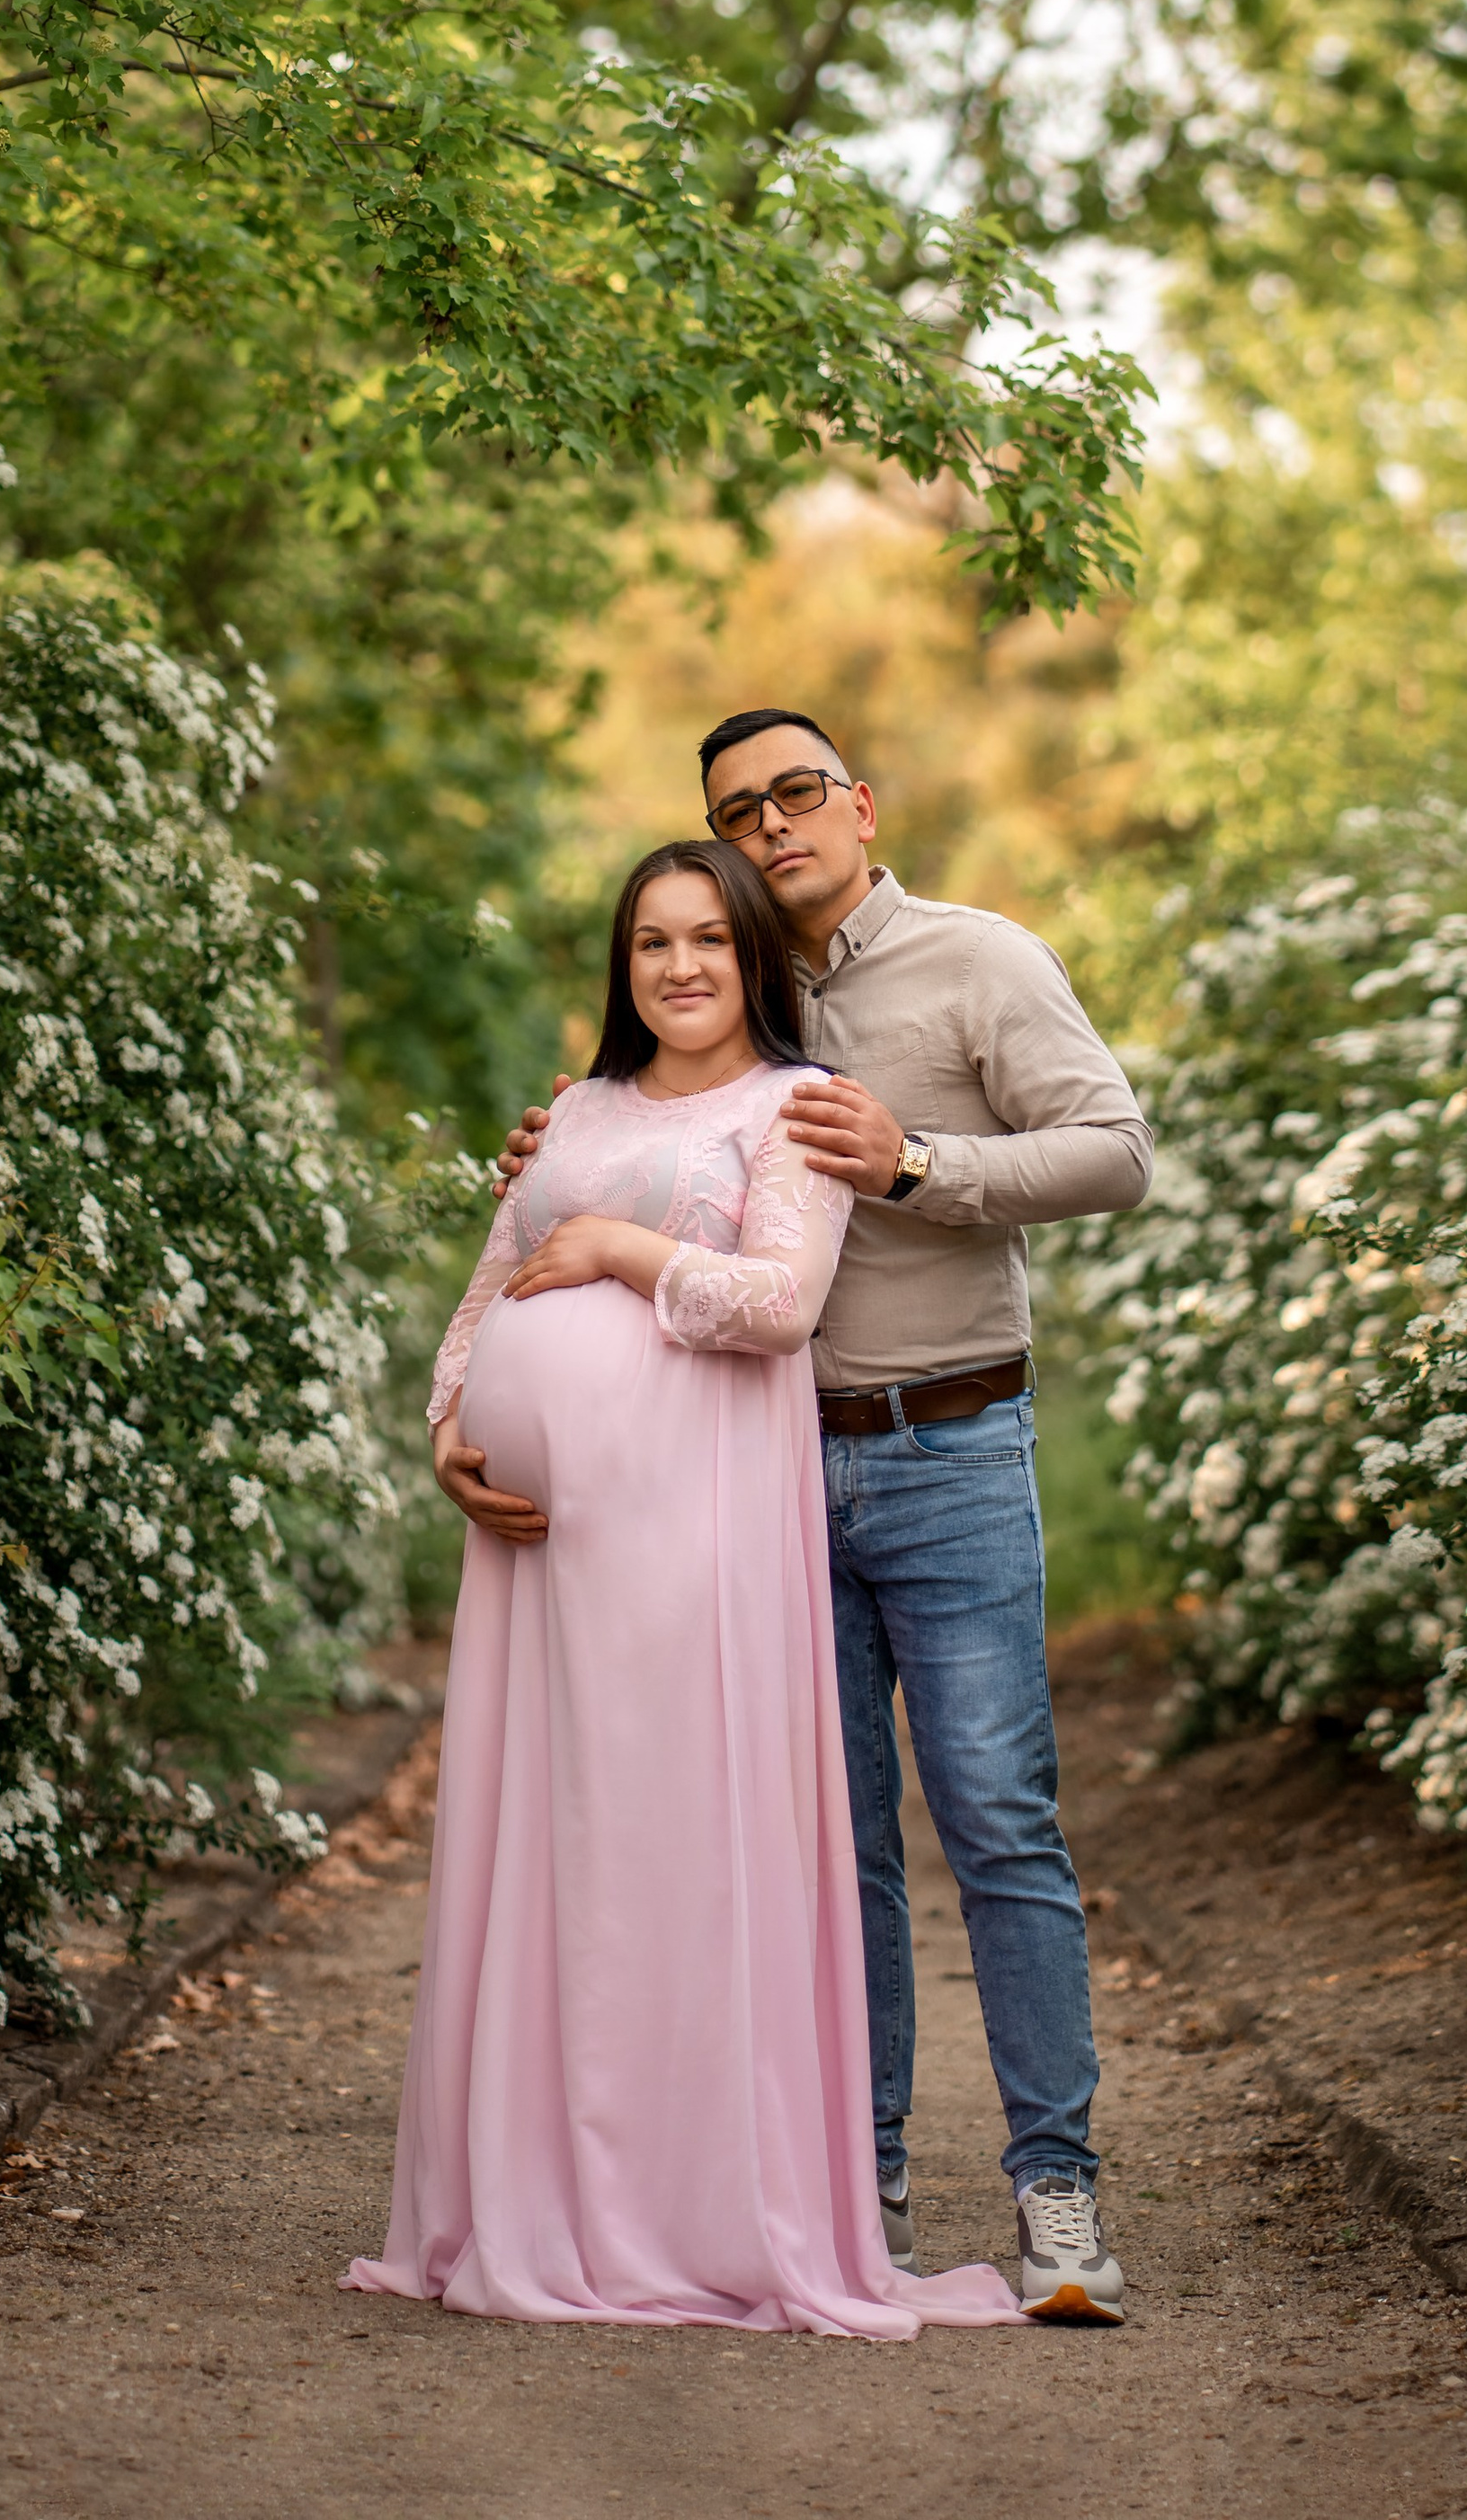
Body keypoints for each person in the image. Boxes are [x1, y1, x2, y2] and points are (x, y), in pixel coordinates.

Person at [491, 714, 1151, 2325]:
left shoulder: (979, 959)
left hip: (948, 1444)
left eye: (798, 793)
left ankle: (1057, 2193)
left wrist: (917, 1160)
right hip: (759, 1468)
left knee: (995, 1814)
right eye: (738, 809)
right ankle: (858, 2188)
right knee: (822, 1844)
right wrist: (571, 1150)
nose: (774, 823)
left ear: (857, 803)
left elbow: (1117, 1152)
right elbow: (641, 1182)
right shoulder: (719, 985)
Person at [344, 839, 1018, 2337]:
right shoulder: (575, 1107)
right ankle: (543, 2192)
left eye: (710, 937)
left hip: (691, 1534)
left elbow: (780, 1304)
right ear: (623, 964)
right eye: (652, 941)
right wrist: (451, 1428)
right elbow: (487, 1289)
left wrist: (614, 1247)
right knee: (555, 1844)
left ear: (752, 955)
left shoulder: (794, 1107)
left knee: (671, 1841)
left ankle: (683, 2203)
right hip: (538, 1554)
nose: (681, 965)